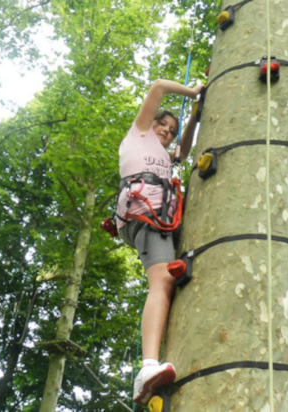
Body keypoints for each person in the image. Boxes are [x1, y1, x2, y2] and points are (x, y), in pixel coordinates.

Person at [115, 79, 202, 405]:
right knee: (162, 281)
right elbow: (158, 87)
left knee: (169, 279)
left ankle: (151, 363)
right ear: (149, 123)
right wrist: (191, 92)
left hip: (164, 220)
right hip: (145, 216)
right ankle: (147, 365)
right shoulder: (137, 136)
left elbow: (186, 146)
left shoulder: (167, 158)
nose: (166, 131)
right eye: (162, 124)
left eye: (171, 129)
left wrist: (194, 114)